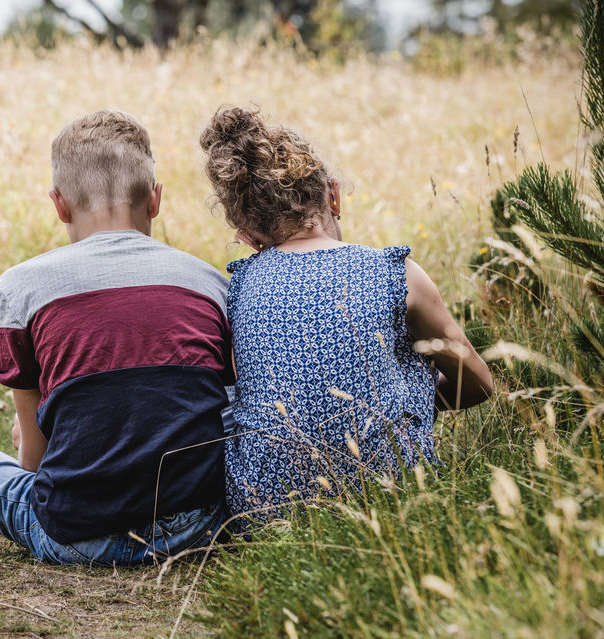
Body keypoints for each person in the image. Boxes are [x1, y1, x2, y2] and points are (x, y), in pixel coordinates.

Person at [0, 110, 233, 565]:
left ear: (59, 204)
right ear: (156, 199)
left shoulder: (21, 287)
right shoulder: (208, 283)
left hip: (75, 537)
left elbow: (32, 465)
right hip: (198, 528)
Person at [198, 106, 494, 527]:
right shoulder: (395, 272)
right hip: (393, 498)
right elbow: (478, 383)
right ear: (333, 195)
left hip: (264, 511)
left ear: (247, 236)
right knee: (408, 360)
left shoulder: (239, 288)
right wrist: (418, 395)